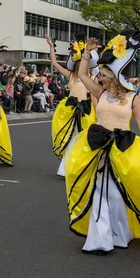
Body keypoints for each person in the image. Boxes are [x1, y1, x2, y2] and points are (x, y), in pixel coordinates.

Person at [66, 29, 140, 255]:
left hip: (123, 150)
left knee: (116, 194)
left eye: (104, 73)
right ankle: (100, 240)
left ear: (114, 75)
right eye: (101, 73)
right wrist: (86, 54)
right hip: (97, 147)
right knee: (98, 192)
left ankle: (119, 233)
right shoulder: (100, 93)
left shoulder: (134, 97)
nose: (100, 77)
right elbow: (83, 76)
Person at [45, 33, 98, 177]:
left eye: (84, 63)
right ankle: (66, 168)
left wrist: (98, 115)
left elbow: (94, 97)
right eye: (79, 63)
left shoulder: (92, 78)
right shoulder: (71, 76)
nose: (82, 65)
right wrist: (51, 47)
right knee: (70, 138)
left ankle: (83, 166)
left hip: (86, 111)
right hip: (70, 110)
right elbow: (55, 64)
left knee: (83, 139)